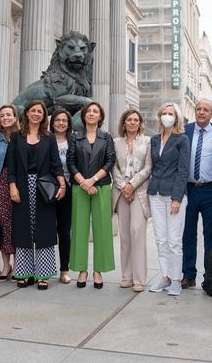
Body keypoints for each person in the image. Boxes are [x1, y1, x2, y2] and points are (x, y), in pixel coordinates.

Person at [6, 100, 66, 289]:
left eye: (40, 111)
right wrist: (12, 187)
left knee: (44, 229)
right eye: (33, 111)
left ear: (44, 116)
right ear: (27, 113)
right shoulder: (16, 137)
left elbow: (56, 164)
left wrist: (62, 184)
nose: (37, 114)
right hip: (22, 187)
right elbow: (11, 165)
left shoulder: (49, 138)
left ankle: (43, 274)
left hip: (44, 188)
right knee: (23, 228)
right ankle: (24, 273)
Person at [67, 101, 117, 289]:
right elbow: (70, 162)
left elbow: (110, 161)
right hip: (80, 187)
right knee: (79, 229)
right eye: (89, 111)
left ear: (100, 117)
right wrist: (83, 182)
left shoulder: (107, 137)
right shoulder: (75, 137)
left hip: (101, 187)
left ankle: (98, 270)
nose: (92, 114)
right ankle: (81, 270)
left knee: (102, 230)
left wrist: (93, 180)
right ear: (84, 115)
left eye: (95, 111)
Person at [182, 99, 212, 288]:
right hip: (189, 189)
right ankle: (188, 274)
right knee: (187, 234)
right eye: (199, 109)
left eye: (206, 110)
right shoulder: (184, 130)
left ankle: (210, 275)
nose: (201, 112)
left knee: (211, 235)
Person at [147, 102, 190, 296]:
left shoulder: (182, 139)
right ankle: (164, 277)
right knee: (160, 239)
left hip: (173, 195)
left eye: (170, 113)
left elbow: (183, 170)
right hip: (155, 193)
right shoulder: (154, 140)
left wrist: (177, 198)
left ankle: (176, 280)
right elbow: (153, 167)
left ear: (177, 117)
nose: (167, 116)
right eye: (164, 113)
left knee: (174, 241)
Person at [112, 109, 152, 292]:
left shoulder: (148, 141)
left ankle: (139, 278)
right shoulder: (115, 142)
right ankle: (126, 276)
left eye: (136, 120)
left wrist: (132, 185)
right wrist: (123, 186)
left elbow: (148, 167)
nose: (133, 122)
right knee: (125, 236)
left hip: (140, 192)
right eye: (129, 119)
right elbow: (113, 167)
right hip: (121, 192)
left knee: (137, 232)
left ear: (140, 123)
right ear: (124, 122)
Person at [0, 104, 19, 281]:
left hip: (17, 185)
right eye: (2, 116)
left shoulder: (22, 137)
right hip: (0, 184)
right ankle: (5, 265)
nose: (5, 118)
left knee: (17, 224)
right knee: (4, 224)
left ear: (15, 117)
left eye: (9, 114)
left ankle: (18, 265)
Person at [50, 109, 73, 284]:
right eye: (57, 120)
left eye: (64, 120)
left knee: (64, 232)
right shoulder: (46, 139)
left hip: (69, 190)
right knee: (46, 231)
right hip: (48, 189)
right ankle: (45, 267)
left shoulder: (74, 141)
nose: (61, 123)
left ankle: (64, 269)